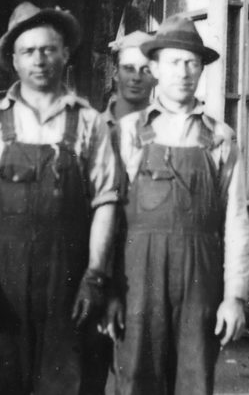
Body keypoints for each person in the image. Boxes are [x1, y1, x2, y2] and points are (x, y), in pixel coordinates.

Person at [0, 2, 119, 395]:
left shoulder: (90, 122)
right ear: (13, 60)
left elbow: (106, 202)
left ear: (65, 53)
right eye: (28, 51)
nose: (39, 60)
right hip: (2, 283)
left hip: (67, 284)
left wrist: (95, 276)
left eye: (49, 49)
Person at [113, 16, 249, 395]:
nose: (185, 71)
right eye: (175, 62)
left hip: (200, 279)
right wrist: (108, 290)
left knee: (193, 382)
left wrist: (234, 296)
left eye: (193, 62)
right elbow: (110, 218)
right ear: (155, 69)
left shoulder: (220, 138)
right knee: (136, 380)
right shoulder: (129, 132)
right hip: (138, 279)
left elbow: (235, 220)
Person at [96, 30, 155, 343]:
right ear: (114, 71)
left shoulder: (167, 134)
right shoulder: (91, 127)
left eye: (146, 69)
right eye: (128, 68)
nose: (136, 78)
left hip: (142, 266)